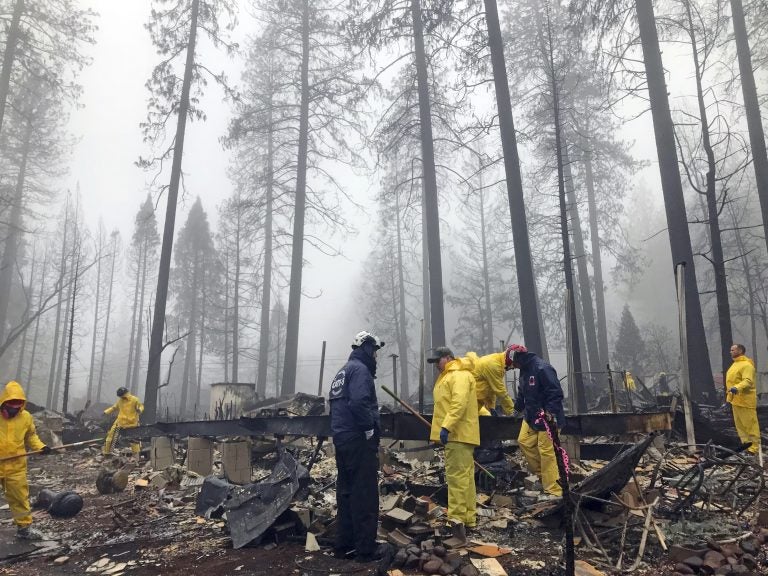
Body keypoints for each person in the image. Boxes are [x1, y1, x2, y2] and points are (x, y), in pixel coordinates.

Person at [328, 330, 389, 563]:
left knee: (346, 493)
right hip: (358, 440)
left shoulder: (342, 372)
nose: (375, 356)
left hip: (342, 439)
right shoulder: (361, 371)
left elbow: (337, 406)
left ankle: (344, 545)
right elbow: (359, 401)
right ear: (365, 348)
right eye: (374, 351)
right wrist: (369, 429)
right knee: (365, 494)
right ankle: (365, 550)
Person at [428, 346, 480, 531]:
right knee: (465, 478)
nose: (436, 365)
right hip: (459, 434)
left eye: (438, 360)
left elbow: (459, 403)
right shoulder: (452, 376)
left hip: (457, 434)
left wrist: (446, 426)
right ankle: (467, 519)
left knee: (457, 478)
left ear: (448, 357)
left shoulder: (458, 375)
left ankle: (456, 521)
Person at [507, 344, 566, 497]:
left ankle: (553, 489)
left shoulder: (542, 368)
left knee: (546, 451)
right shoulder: (524, 371)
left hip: (547, 418)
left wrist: (550, 412)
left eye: (513, 363)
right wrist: (517, 408)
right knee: (524, 441)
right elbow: (522, 392)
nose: (512, 366)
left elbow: (556, 392)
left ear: (518, 358)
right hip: (531, 416)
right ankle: (544, 475)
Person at [0, 380, 51, 539]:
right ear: (4, 402)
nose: (14, 410)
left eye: (18, 406)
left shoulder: (26, 417)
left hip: (16, 466)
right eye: (11, 406)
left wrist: (40, 447)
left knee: (20, 499)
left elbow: (31, 437)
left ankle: (24, 529)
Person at [726, 344, 760, 455]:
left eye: (733, 350)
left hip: (745, 400)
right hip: (735, 400)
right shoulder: (735, 364)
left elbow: (748, 381)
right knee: (740, 427)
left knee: (750, 425)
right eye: (730, 350)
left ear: (740, 350)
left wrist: (737, 387)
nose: (730, 352)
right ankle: (746, 446)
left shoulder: (747, 365)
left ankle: (754, 448)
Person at [464, 350, 515, 415]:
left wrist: (491, 407)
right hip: (470, 400)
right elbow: (500, 391)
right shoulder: (494, 365)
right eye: (515, 364)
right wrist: (512, 412)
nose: (514, 367)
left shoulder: (499, 363)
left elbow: (491, 387)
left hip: (476, 400)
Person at [103, 387, 144, 456]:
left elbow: (141, 406)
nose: (121, 397)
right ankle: (107, 453)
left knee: (133, 440)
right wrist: (106, 412)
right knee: (110, 437)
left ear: (124, 394)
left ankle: (136, 456)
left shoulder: (134, 399)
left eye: (121, 396)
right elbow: (114, 407)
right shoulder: (120, 401)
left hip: (131, 424)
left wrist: (139, 410)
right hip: (119, 422)